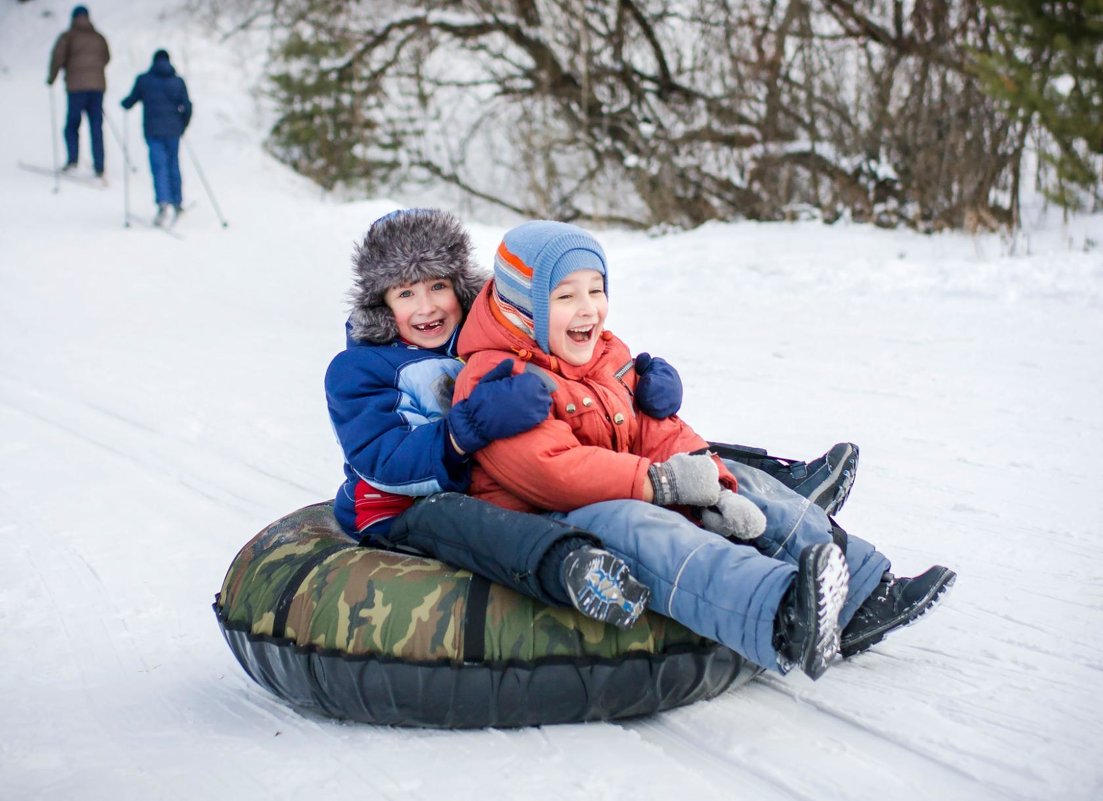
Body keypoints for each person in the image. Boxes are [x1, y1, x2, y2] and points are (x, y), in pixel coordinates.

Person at [453, 220, 956, 679]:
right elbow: (553, 474)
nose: (589, 308)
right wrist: (661, 485)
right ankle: (781, 615)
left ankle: (866, 592)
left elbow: (658, 428)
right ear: (523, 307)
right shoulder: (497, 378)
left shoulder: (604, 353)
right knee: (644, 526)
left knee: (749, 489)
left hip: (628, 486)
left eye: (597, 290)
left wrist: (708, 478)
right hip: (550, 523)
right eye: (566, 297)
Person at [324, 209, 694, 628]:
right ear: (382, 303)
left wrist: (632, 383)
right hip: (400, 509)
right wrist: (467, 430)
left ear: (460, 287)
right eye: (405, 293)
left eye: (438, 286)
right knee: (466, 521)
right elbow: (382, 460)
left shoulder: (481, 343)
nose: (426, 307)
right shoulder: (358, 369)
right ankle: (574, 570)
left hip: (487, 486)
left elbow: (572, 373)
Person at [121, 49, 192, 226]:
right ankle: (177, 202)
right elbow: (187, 106)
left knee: (159, 166)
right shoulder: (177, 81)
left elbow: (131, 101)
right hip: (173, 130)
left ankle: (163, 203)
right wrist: (182, 125)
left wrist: (124, 104)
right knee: (173, 165)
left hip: (153, 131)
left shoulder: (144, 80)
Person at [47, 5, 110, 178]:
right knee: (96, 126)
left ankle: (73, 160)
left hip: (76, 87)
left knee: (72, 124)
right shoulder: (98, 37)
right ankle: (99, 166)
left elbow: (57, 57)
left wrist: (52, 77)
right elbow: (106, 58)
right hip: (97, 87)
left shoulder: (68, 37)